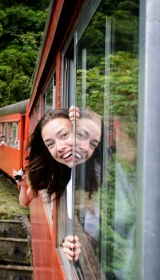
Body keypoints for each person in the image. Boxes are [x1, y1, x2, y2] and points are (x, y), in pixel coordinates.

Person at [17, 106, 102, 262]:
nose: (60, 146)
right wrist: (23, 186)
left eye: (64, 135)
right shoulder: (49, 174)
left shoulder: (97, 169)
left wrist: (88, 117)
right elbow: (24, 201)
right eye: (50, 144)